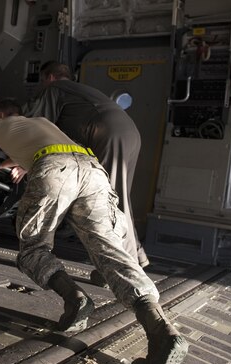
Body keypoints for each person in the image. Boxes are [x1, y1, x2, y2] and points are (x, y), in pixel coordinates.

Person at [0, 98, 188, 364]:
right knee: (109, 250)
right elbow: (34, 150)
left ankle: (75, 299)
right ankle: (161, 330)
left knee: (33, 247)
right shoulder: (42, 124)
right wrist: (13, 161)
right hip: (92, 171)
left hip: (55, 170)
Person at [22, 62, 150, 286]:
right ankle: (136, 254)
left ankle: (126, 271)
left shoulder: (55, 89)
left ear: (50, 77)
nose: (42, 85)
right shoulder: (79, 91)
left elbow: (39, 125)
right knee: (119, 197)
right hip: (127, 132)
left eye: (43, 80)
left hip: (108, 135)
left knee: (109, 203)